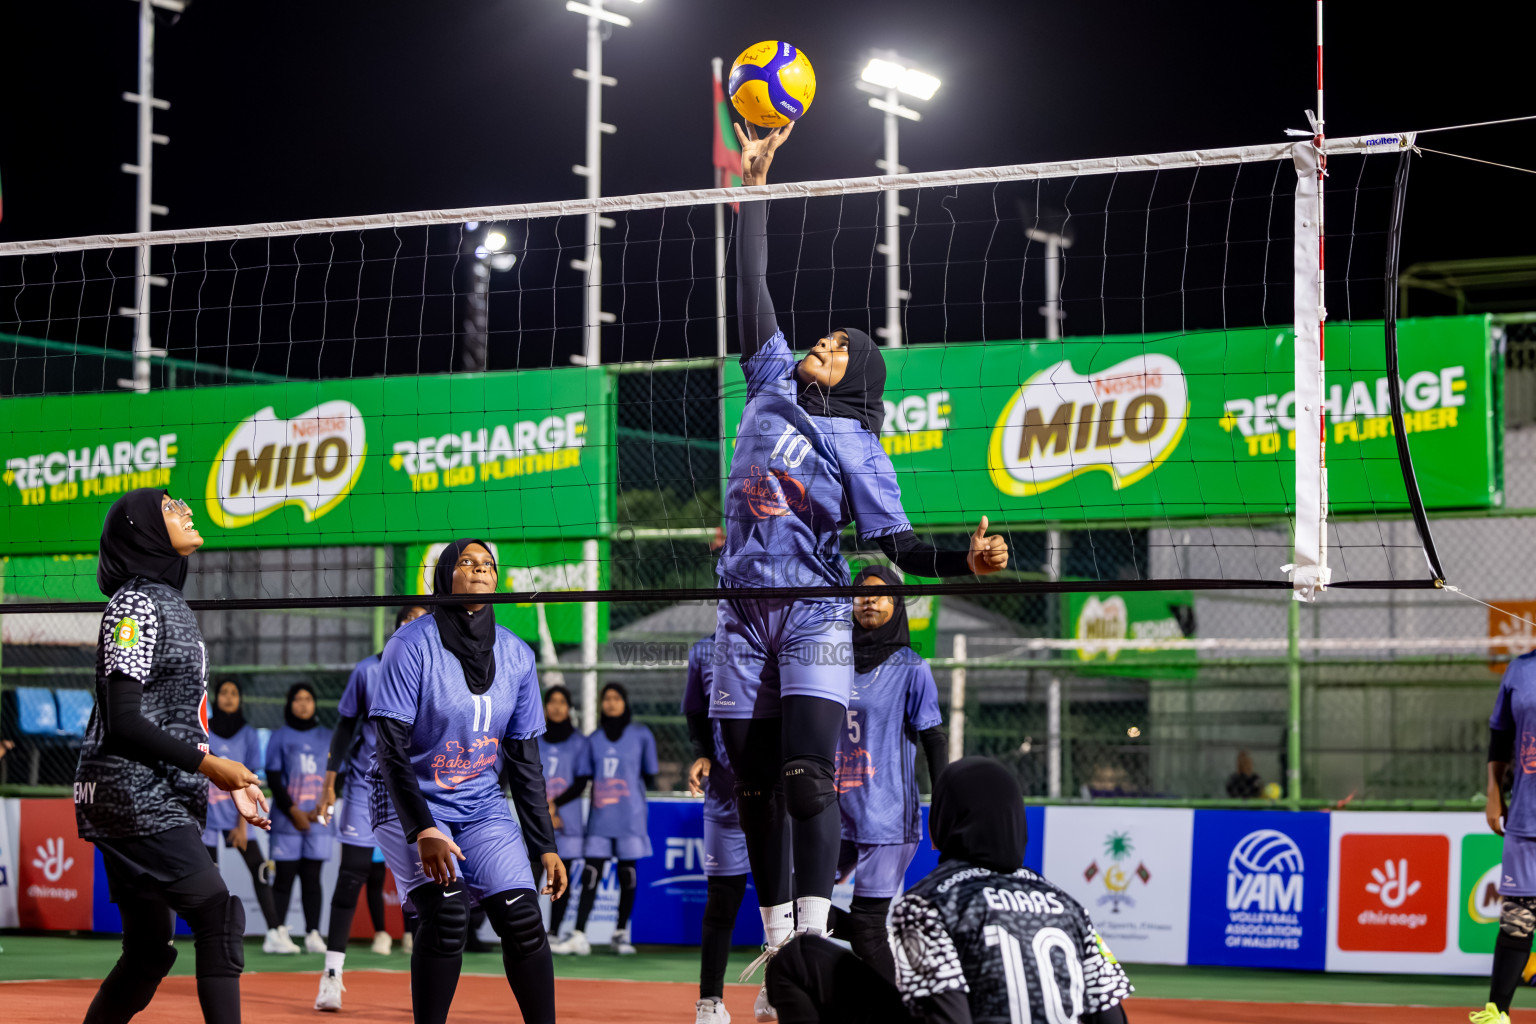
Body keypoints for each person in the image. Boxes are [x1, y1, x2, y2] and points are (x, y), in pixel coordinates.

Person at [714, 122, 1009, 1010]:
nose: (823, 343)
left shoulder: (859, 444)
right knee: (754, 786)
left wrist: (964, 557)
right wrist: (752, 190)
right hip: (739, 613)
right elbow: (747, 289)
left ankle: (809, 939)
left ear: (858, 378)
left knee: (807, 776)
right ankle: (777, 956)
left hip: (811, 609)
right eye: (828, 338)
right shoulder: (769, 380)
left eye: (841, 345)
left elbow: (898, 545)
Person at [74, 488, 271, 1024]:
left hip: (148, 789)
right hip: (133, 791)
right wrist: (212, 769)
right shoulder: (134, 602)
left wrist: (230, 777)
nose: (185, 509)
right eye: (169, 507)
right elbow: (125, 719)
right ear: (142, 530)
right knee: (218, 913)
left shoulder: (166, 600)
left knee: (147, 950)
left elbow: (178, 717)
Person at [765, 757, 1132, 1024]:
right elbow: (1112, 1015)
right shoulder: (1068, 906)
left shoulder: (932, 900)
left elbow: (945, 1013)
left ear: (944, 821)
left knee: (798, 958)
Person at [368, 538, 566, 1024]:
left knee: (522, 918)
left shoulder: (518, 655)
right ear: (444, 576)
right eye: (466, 562)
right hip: (409, 800)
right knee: (448, 913)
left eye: (487, 565)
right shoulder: (410, 645)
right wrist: (423, 830)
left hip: (480, 802)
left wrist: (546, 845)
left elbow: (523, 758)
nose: (479, 569)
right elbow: (390, 750)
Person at [830, 566, 948, 983]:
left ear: (897, 605)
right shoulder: (831, 662)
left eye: (880, 596)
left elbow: (934, 739)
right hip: (835, 815)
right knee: (793, 903)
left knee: (865, 934)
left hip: (886, 817)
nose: (868, 601)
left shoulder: (912, 667)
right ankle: (886, 937)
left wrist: (942, 807)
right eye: (861, 594)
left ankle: (905, 1008)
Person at [313, 605, 428, 1010]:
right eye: (407, 619)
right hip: (366, 786)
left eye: (421, 619)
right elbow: (345, 728)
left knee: (422, 883)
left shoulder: (438, 667)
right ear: (396, 627)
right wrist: (330, 784)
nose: (413, 625)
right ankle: (331, 975)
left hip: (416, 790)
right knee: (352, 874)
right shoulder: (368, 671)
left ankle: (425, 986)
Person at [552, 682, 657, 957]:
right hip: (600, 820)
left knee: (627, 875)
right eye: (606, 698)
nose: (611, 703)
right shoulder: (594, 739)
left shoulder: (641, 735)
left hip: (630, 819)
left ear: (625, 702)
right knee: (590, 874)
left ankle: (620, 934)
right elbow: (584, 778)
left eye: (616, 698)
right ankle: (579, 934)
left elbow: (650, 775)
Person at [684, 634, 754, 1024]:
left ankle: (781, 988)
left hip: (777, 798)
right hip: (726, 798)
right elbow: (696, 712)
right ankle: (710, 1001)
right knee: (721, 902)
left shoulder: (786, 641)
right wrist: (703, 752)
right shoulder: (705, 650)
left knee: (789, 904)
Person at [203, 678, 292, 954]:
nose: (229, 697)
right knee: (208, 879)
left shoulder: (249, 734)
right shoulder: (205, 732)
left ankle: (275, 932)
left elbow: (250, 781)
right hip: (207, 816)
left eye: (234, 693)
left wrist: (242, 825)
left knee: (261, 870)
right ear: (216, 699)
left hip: (237, 817)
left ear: (240, 699)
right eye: (224, 693)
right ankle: (211, 935)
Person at [1473, 650, 1536, 1024]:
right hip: (1527, 814)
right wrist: (1494, 793)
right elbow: (1501, 736)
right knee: (1517, 916)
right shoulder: (1519, 670)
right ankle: (1498, 1011)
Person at [265, 682, 334, 954]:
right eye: (298, 699)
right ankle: (277, 933)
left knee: (312, 877)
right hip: (287, 821)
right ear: (289, 704)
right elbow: (273, 777)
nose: (303, 703)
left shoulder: (327, 736)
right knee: (284, 877)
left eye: (308, 698)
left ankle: (313, 934)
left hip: (317, 821)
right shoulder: (279, 737)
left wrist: (320, 807)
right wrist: (293, 811)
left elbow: (333, 778)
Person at [537, 684, 591, 945]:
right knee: (528, 876)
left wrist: (554, 805)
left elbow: (582, 781)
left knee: (561, 876)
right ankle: (526, 930)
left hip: (566, 819)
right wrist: (542, 806)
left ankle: (555, 932)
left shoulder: (579, 742)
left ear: (569, 707)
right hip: (537, 817)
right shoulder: (534, 738)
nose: (557, 706)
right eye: (552, 701)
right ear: (545, 706)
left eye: (562, 701)